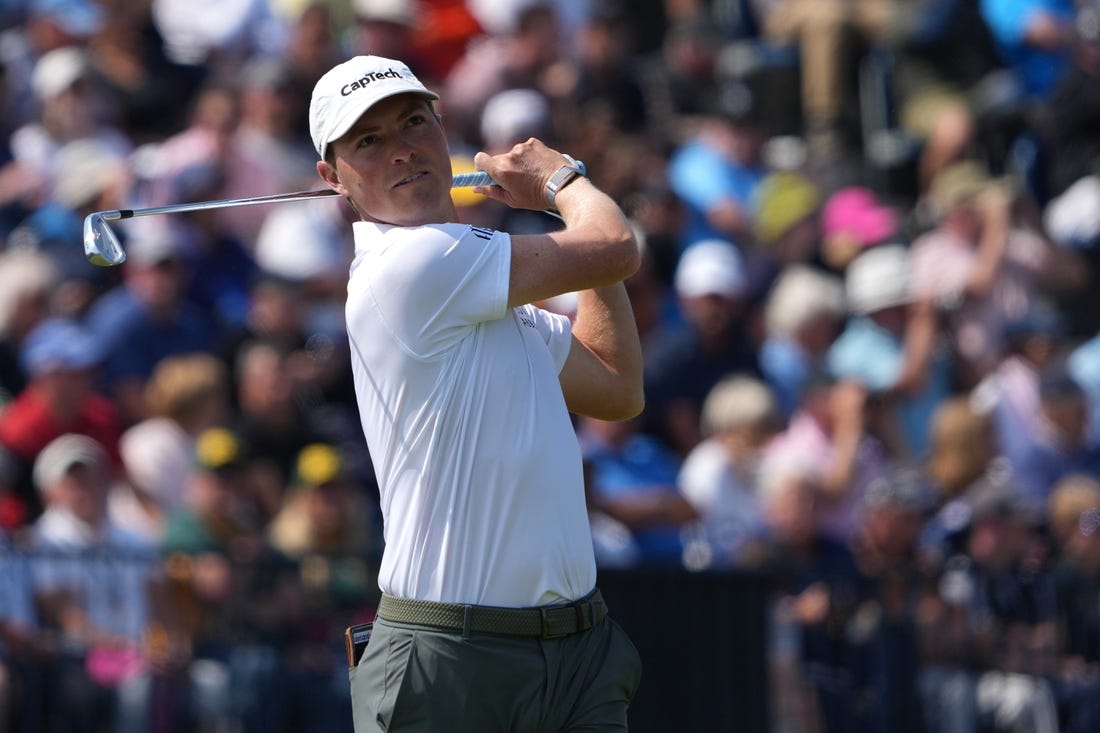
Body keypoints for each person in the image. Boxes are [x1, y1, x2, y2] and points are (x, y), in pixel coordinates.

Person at [309, 54, 643, 731]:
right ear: (332, 177)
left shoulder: (480, 287)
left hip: (578, 653)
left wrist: (577, 232)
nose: (402, 150)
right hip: (453, 661)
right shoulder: (411, 265)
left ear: (442, 129)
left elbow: (615, 386)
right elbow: (616, 244)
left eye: (413, 123)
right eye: (369, 141)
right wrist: (561, 182)